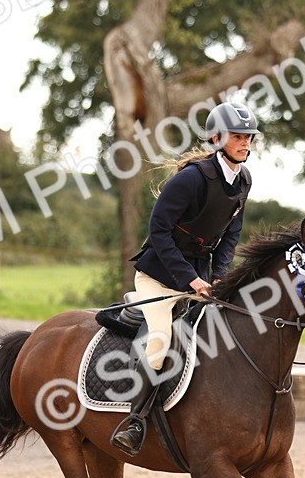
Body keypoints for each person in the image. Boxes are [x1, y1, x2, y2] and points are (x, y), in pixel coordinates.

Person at [109, 100, 258, 455]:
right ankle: (135, 421)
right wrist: (191, 279)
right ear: (216, 137)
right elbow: (158, 231)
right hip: (158, 278)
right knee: (161, 338)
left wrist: (219, 277)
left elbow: (230, 236)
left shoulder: (244, 180)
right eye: (238, 136)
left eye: (249, 137)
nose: (245, 143)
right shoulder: (192, 179)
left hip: (201, 279)